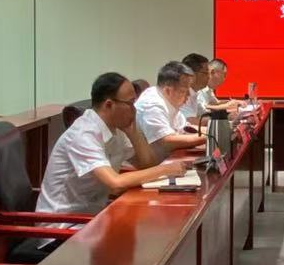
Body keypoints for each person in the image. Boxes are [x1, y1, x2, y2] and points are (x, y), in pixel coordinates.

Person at [38, 71, 174, 213]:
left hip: (94, 215)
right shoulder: (84, 134)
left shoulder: (117, 129)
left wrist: (134, 134)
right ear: (109, 105)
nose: (134, 110)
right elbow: (115, 183)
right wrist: (166, 169)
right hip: (63, 221)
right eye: (130, 103)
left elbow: (147, 165)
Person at [178, 53, 212, 125]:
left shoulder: (194, 93)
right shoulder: (181, 93)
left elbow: (203, 114)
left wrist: (225, 116)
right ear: (192, 75)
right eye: (206, 73)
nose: (209, 77)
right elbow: (190, 121)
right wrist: (219, 120)